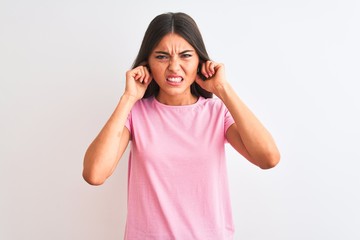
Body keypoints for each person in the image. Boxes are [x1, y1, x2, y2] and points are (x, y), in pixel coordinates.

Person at [83, 12, 280, 240]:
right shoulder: (135, 113)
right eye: (162, 57)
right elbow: (94, 174)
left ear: (200, 61)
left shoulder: (217, 112)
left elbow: (269, 158)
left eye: (185, 55)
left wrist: (223, 89)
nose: (174, 67)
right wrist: (128, 97)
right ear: (147, 63)